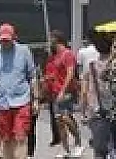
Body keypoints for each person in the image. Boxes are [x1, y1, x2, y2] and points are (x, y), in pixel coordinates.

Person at [0, 23, 39, 159]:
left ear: (14, 37)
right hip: (2, 102)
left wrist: (36, 99)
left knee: (21, 137)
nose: (5, 42)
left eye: (7, 40)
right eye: (2, 40)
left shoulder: (24, 51)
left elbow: (32, 76)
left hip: (22, 100)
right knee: (6, 138)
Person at [44, 29, 83, 157]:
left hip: (66, 91)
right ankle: (65, 149)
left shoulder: (67, 54)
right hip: (55, 92)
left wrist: (63, 90)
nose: (49, 41)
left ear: (57, 39)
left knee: (65, 117)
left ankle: (78, 142)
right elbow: (54, 73)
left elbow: (70, 73)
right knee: (59, 122)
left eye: (51, 38)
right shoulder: (54, 56)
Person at [80, 31, 114, 159]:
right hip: (113, 111)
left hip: (97, 112)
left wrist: (83, 111)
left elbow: (84, 92)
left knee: (100, 151)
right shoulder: (113, 66)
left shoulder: (91, 67)